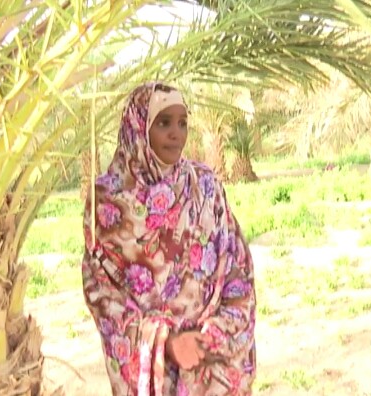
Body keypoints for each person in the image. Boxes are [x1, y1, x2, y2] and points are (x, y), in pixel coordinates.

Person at [81, 82, 256, 395]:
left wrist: (214, 333)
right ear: (137, 128)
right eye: (164, 123)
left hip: (209, 357)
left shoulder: (204, 187)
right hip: (157, 370)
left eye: (182, 123)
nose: (176, 133)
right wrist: (166, 343)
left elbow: (236, 265)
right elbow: (103, 295)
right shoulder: (107, 203)